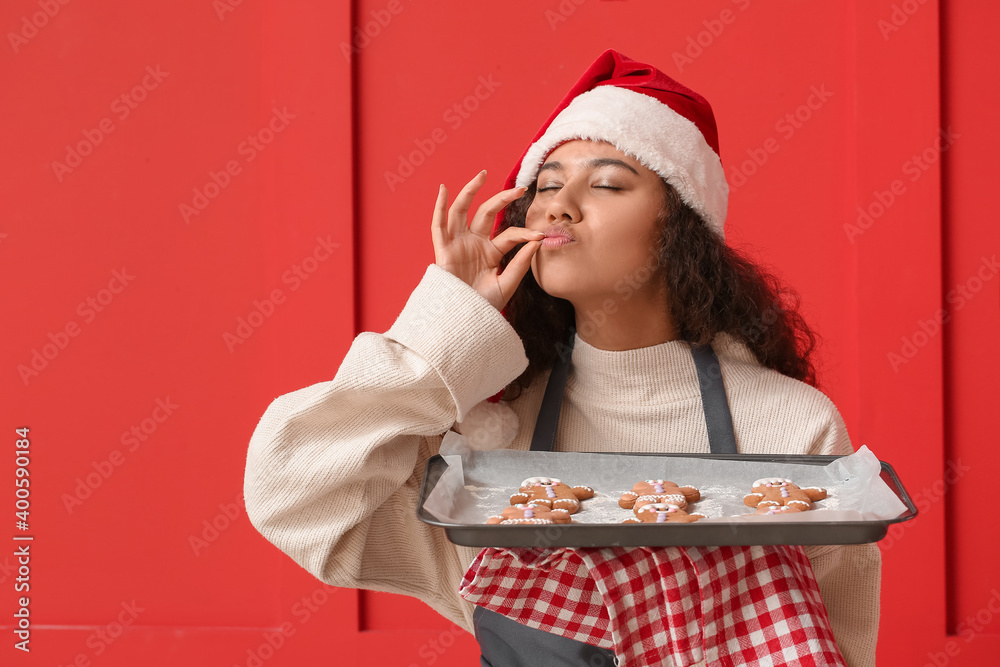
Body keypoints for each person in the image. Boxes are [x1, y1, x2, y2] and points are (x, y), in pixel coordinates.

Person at [244, 49, 880, 666]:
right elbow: (293, 494)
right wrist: (445, 326)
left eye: (605, 183)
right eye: (546, 185)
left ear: (682, 228)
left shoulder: (792, 425)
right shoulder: (492, 434)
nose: (558, 204)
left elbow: (839, 647)